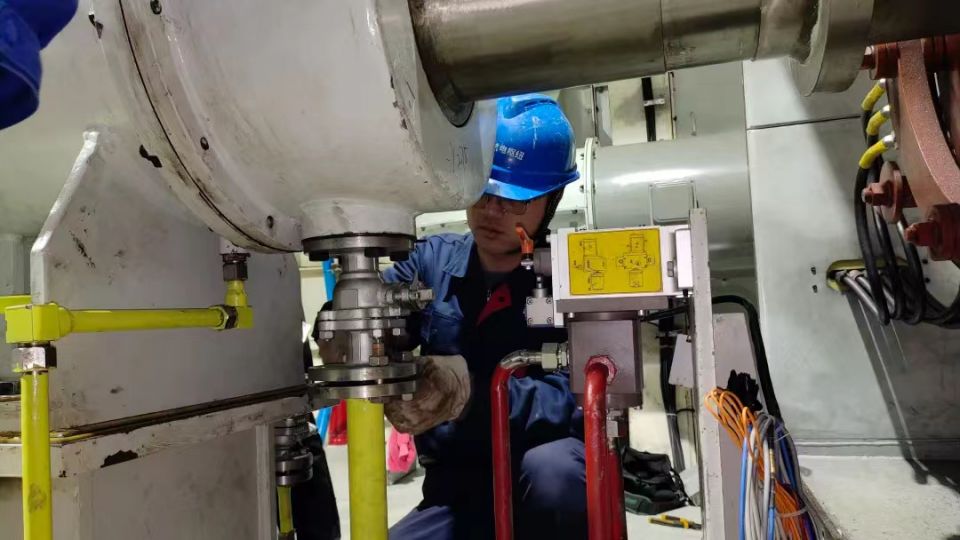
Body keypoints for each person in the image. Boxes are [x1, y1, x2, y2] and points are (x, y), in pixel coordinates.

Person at [385, 94, 587, 540]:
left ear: (551, 199)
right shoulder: (431, 261)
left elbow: (581, 399)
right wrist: (348, 330)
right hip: (455, 487)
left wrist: (472, 396)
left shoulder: (574, 277)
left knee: (556, 473)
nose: (492, 211)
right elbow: (377, 307)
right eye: (482, 192)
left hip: (538, 474)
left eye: (512, 200)